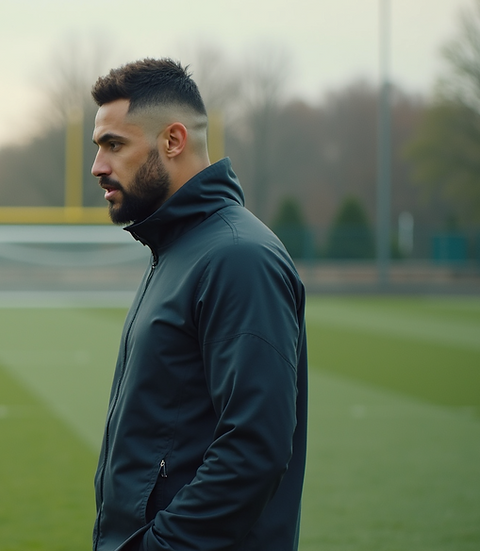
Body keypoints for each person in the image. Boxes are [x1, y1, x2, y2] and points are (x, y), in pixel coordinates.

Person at [89, 58, 308, 551]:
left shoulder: (238, 257)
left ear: (173, 140)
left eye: (114, 145)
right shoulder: (177, 250)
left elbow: (254, 449)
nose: (98, 166)